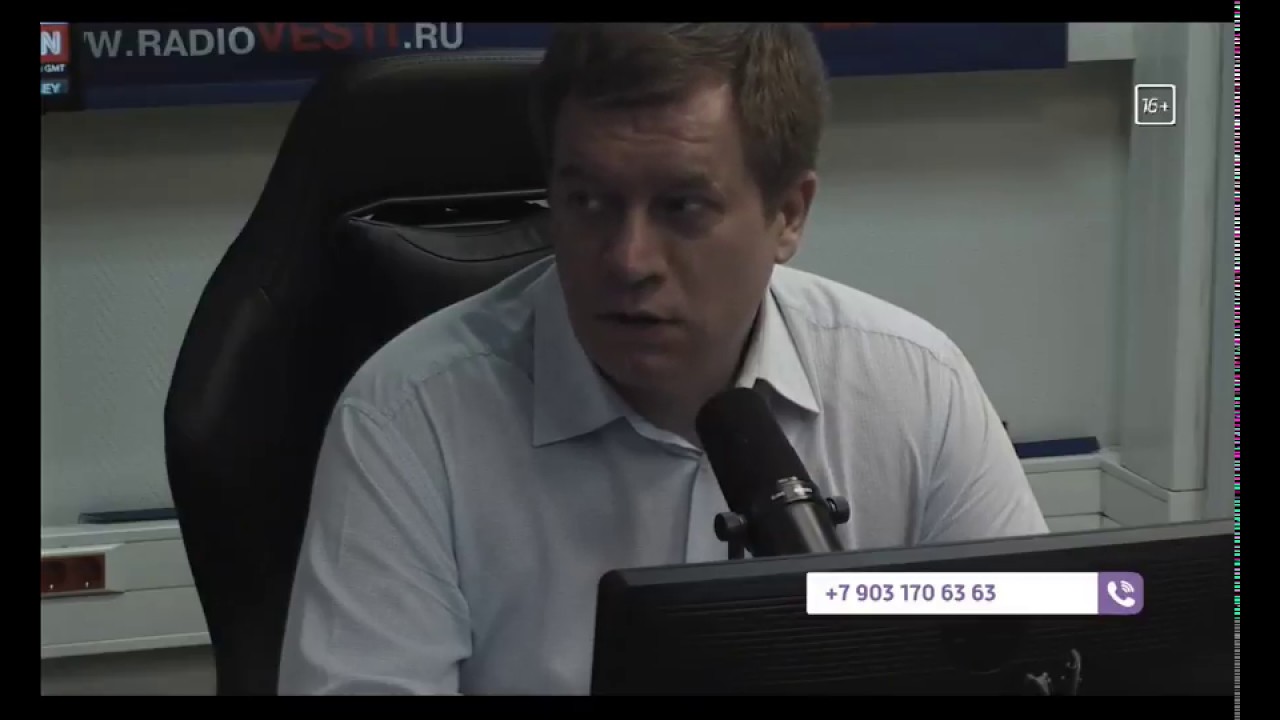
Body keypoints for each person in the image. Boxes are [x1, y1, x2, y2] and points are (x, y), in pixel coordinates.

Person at [277, 23, 1047, 696]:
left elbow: (1057, 639)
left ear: (788, 214)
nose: (628, 260)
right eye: (589, 203)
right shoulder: (410, 417)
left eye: (682, 207)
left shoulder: (915, 387)